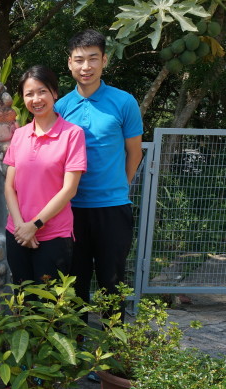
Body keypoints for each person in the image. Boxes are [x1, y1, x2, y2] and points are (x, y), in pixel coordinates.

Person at [55, 29, 144, 320]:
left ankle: (113, 344)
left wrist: (120, 186)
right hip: (70, 210)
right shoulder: (60, 107)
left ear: (104, 61)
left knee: (112, 281)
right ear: (70, 63)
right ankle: (77, 344)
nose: (86, 67)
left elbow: (135, 153)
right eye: (79, 60)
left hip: (112, 208)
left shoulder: (124, 102)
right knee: (74, 282)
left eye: (93, 59)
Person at [4, 65, 86, 285]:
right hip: (17, 233)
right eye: (29, 94)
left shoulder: (72, 134)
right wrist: (21, 227)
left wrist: (34, 225)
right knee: (21, 298)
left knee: (48, 303)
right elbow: (9, 187)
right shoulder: (19, 135)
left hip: (53, 237)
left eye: (42, 91)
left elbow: (69, 189)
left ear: (54, 93)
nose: (36, 99)